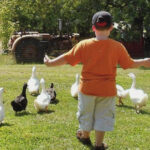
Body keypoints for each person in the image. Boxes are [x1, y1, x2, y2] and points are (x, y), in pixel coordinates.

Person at [44, 11, 150, 150]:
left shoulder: (84, 44)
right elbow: (128, 64)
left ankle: (85, 135)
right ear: (111, 27)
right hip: (107, 91)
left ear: (93, 27)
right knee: (103, 117)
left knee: (86, 113)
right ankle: (99, 145)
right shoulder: (117, 46)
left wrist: (51, 63)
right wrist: (144, 61)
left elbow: (67, 58)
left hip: (87, 89)